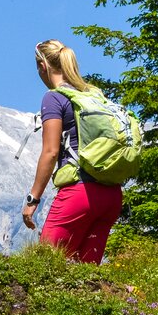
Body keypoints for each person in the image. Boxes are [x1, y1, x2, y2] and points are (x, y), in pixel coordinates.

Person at [21, 39, 124, 263]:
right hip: (111, 196)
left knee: (45, 266)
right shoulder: (93, 95)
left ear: (42, 66)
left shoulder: (54, 98)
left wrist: (32, 200)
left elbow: (50, 152)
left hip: (80, 193)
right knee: (87, 278)